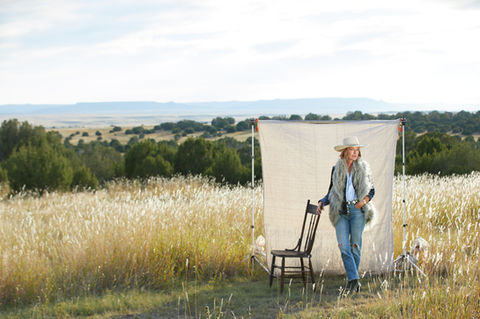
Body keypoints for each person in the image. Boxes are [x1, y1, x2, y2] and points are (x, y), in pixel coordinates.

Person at [316, 136, 376, 295]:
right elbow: (331, 192)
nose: (355, 153)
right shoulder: (336, 169)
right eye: (352, 150)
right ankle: (354, 280)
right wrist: (322, 202)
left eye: (357, 150)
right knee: (344, 246)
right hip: (341, 211)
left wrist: (363, 202)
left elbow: (372, 190)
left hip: (358, 210)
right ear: (345, 152)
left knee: (355, 246)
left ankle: (352, 283)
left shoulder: (364, 168)